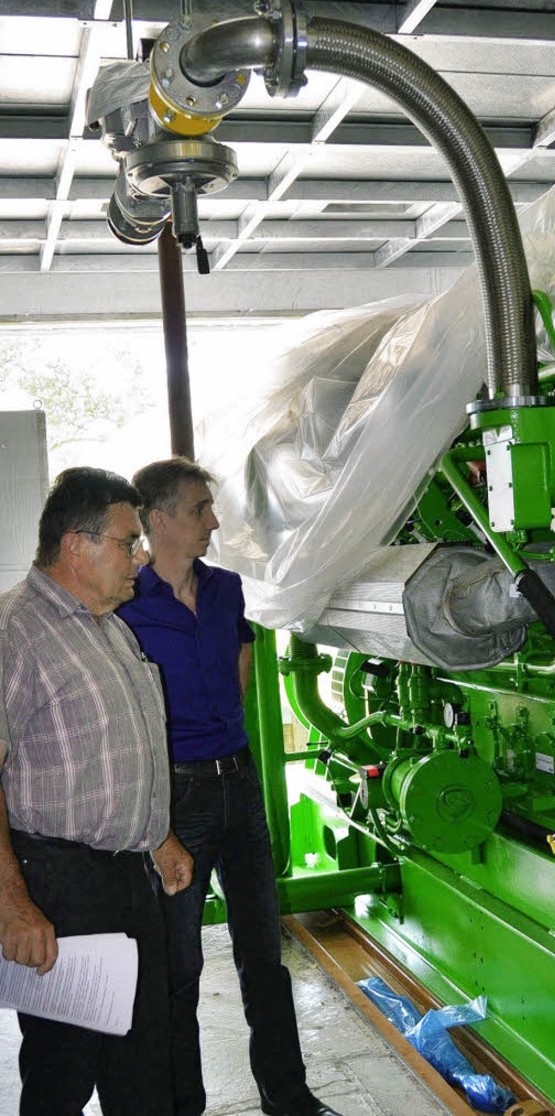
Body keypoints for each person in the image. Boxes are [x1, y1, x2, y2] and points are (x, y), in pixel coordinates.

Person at [118, 457, 342, 1116]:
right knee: (179, 966)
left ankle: (289, 1096)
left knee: (263, 953)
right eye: (198, 510)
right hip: (177, 800)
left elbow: (242, 658)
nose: (213, 522)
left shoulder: (224, 590)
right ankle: (183, 1104)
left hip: (238, 784)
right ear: (159, 520)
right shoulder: (128, 605)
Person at [0, 466, 193, 1116]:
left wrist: (157, 835)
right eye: (127, 540)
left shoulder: (110, 626)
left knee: (144, 1066)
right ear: (76, 546)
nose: (141, 554)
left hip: (126, 882)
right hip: (58, 889)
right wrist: (13, 906)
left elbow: (114, 750)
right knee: (62, 1075)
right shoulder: (15, 634)